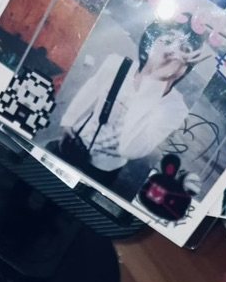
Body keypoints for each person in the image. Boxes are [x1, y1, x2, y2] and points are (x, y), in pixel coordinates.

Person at [52, 21, 206, 187]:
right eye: (168, 41)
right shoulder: (117, 64)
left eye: (185, 51)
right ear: (150, 44)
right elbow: (91, 89)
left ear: (186, 67)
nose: (172, 52)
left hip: (105, 167)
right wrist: (68, 121)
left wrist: (156, 80)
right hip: (76, 140)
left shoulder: (175, 108)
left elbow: (129, 149)